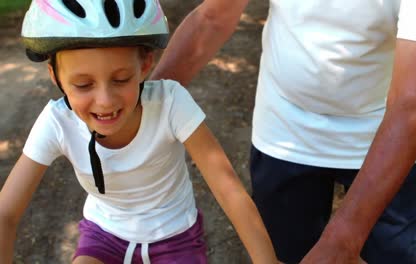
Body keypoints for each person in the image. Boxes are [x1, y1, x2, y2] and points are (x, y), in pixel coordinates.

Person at [150, 0, 416, 263]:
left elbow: (411, 104)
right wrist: (144, 112)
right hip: (285, 132)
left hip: (384, 139)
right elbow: (212, 17)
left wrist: (342, 242)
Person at [0, 1, 278, 263]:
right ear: (55, 76)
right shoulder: (57, 122)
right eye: (83, 85)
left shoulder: (171, 104)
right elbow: (6, 212)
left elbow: (229, 190)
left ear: (145, 65)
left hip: (175, 238)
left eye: (121, 79)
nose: (105, 100)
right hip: (103, 236)